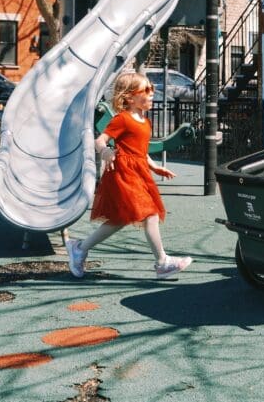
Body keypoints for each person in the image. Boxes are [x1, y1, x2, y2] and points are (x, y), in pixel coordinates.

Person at [66, 71, 192, 280]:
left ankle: (79, 247)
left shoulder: (144, 119)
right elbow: (100, 141)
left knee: (120, 219)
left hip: (138, 171)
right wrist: (105, 151)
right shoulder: (122, 119)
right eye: (146, 90)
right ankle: (162, 262)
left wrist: (155, 167)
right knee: (149, 213)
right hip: (123, 173)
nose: (152, 93)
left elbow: (140, 150)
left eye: (151, 89)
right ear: (129, 97)